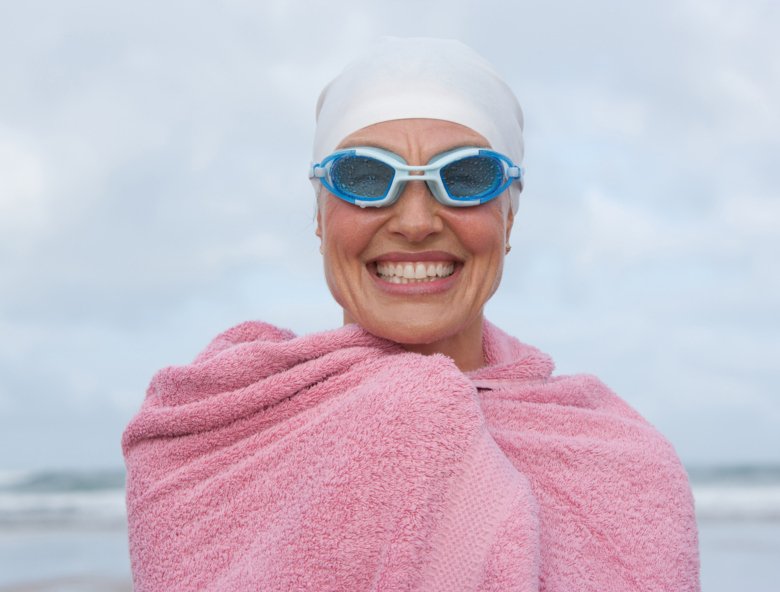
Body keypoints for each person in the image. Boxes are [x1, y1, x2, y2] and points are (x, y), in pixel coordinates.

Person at [123, 37, 700, 591]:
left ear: (510, 219)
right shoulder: (211, 440)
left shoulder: (625, 468)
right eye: (366, 177)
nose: (417, 220)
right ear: (320, 216)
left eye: (467, 177)